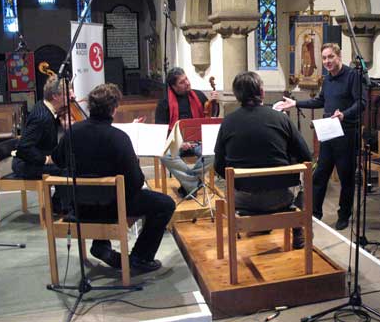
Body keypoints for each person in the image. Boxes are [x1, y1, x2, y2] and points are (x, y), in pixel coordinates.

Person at [52, 83, 175, 272]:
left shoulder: (72, 132)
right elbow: (136, 182)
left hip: (78, 206)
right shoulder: (118, 138)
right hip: (111, 206)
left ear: (90, 107)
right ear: (114, 108)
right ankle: (140, 258)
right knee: (165, 204)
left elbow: (58, 160)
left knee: (101, 194)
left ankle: (101, 245)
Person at [214, 71, 311, 247]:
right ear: (262, 92)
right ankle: (297, 226)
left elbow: (219, 166)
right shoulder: (281, 119)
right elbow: (306, 156)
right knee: (300, 185)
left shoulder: (228, 122)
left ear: (237, 95)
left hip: (242, 199)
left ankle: (259, 222)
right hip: (280, 197)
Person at [276, 43, 366, 230]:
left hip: (347, 133)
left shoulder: (353, 76)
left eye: (330, 57)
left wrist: (344, 114)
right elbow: (320, 101)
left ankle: (344, 215)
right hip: (329, 132)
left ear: (339, 56)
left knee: (346, 177)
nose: (327, 61)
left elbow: (361, 103)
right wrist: (296, 103)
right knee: (320, 175)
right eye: (324, 58)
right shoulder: (327, 79)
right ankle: (315, 214)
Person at [155, 67, 219, 197]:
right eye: (182, 82)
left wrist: (214, 102)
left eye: (187, 79)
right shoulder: (164, 103)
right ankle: (195, 183)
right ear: (173, 86)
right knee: (165, 155)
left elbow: (211, 116)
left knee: (214, 152)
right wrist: (180, 143)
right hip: (176, 142)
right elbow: (160, 131)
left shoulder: (199, 95)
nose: (187, 83)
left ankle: (189, 184)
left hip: (198, 140)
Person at [12, 75, 67, 179]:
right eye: (66, 94)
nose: (70, 96)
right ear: (55, 96)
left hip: (33, 159)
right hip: (26, 164)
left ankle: (59, 195)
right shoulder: (42, 118)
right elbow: (23, 147)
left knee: (67, 163)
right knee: (67, 170)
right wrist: (45, 159)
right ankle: (58, 196)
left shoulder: (45, 106)